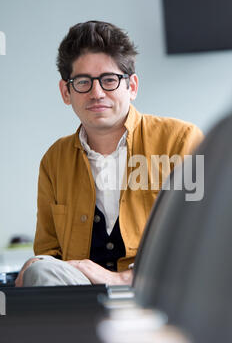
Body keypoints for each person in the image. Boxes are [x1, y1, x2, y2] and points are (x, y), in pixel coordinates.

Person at [15, 20, 203, 287]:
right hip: (79, 300)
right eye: (82, 82)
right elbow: (49, 253)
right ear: (65, 92)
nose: (97, 93)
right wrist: (37, 264)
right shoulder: (54, 160)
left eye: (109, 80)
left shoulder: (180, 141)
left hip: (161, 288)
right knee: (40, 271)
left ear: (132, 86)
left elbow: (205, 240)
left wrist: (124, 278)